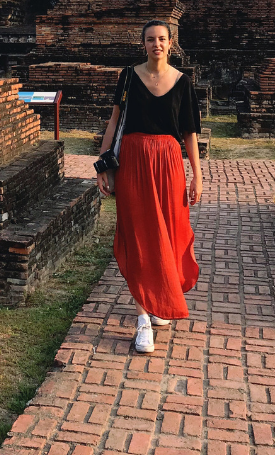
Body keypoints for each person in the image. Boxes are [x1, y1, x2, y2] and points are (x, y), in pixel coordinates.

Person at [95, 20, 203, 354]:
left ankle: (161, 299)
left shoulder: (183, 83)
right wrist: (103, 164)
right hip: (133, 162)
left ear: (170, 43)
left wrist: (197, 175)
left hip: (169, 163)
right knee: (140, 236)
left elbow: (189, 133)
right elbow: (114, 121)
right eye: (150, 39)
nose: (156, 44)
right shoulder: (128, 77)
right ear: (143, 43)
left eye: (161, 39)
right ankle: (143, 317)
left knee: (169, 233)